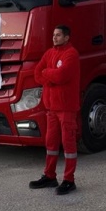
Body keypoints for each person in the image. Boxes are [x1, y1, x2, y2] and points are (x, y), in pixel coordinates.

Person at [29, 25, 81, 195]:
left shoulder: (71, 54)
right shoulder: (49, 53)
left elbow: (62, 76)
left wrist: (47, 75)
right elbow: (37, 72)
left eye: (58, 35)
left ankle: (69, 180)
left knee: (68, 143)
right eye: (54, 35)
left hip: (66, 108)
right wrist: (51, 76)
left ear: (66, 37)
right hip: (51, 108)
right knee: (50, 143)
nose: (54, 37)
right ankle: (50, 176)